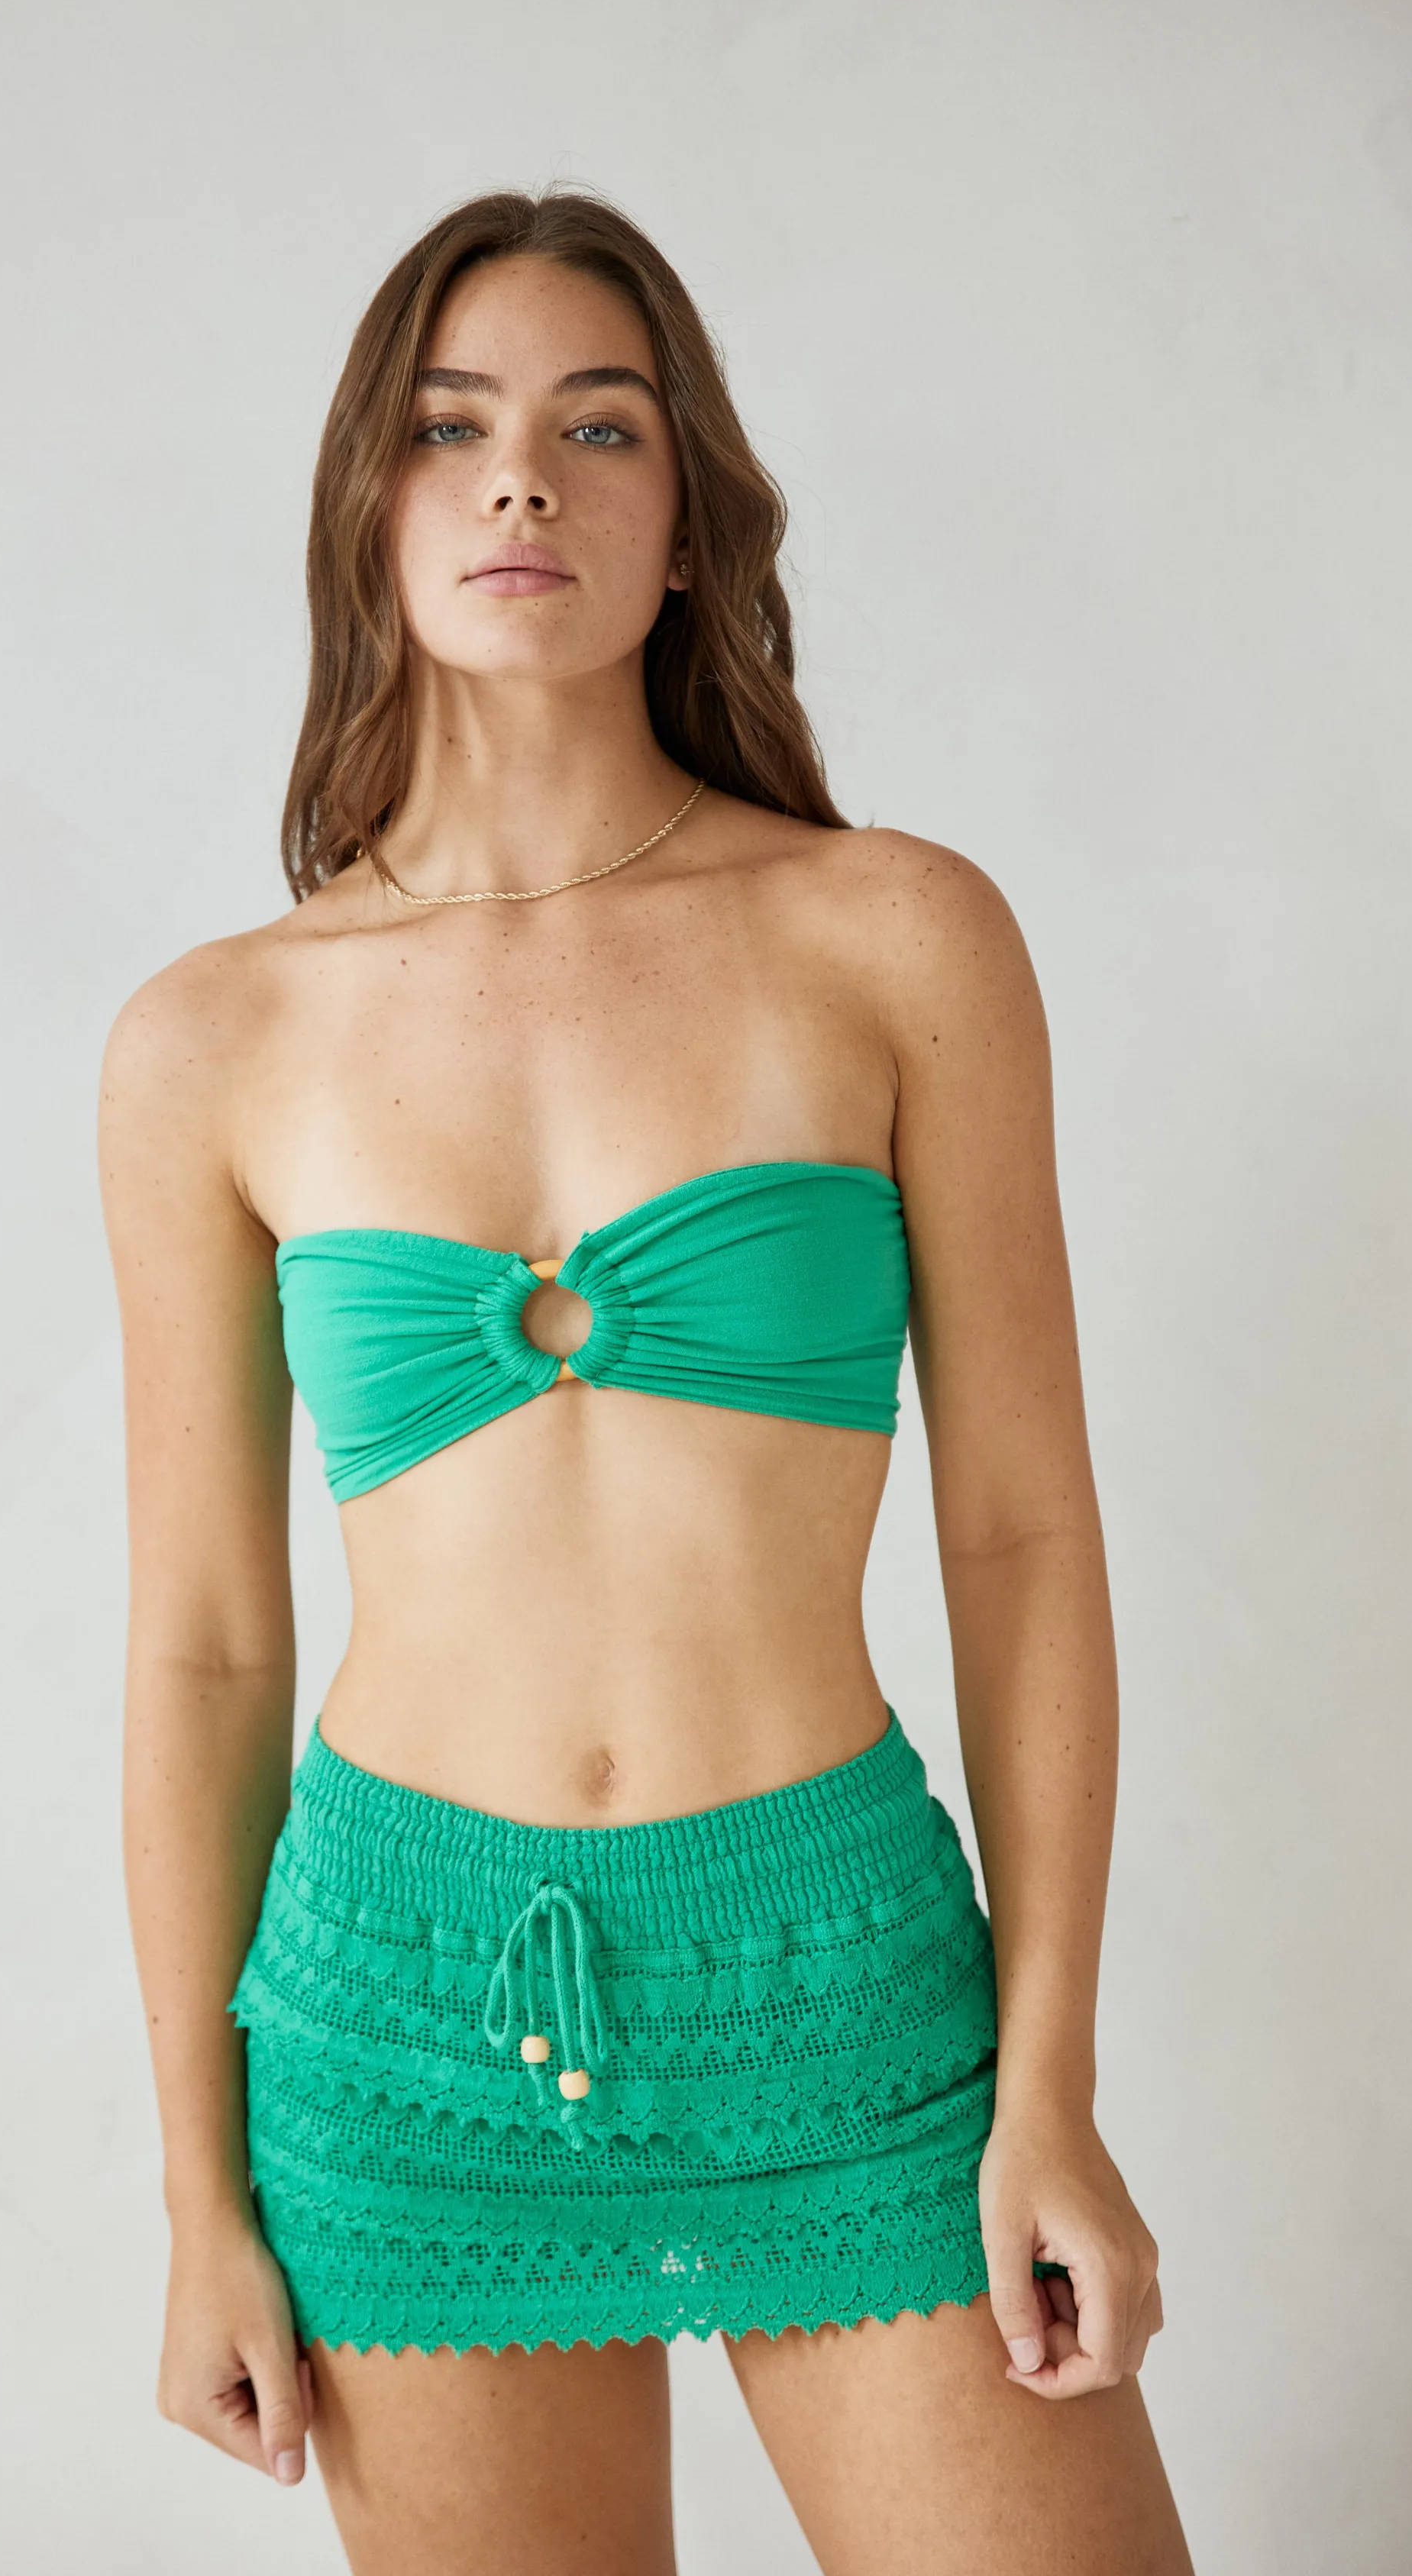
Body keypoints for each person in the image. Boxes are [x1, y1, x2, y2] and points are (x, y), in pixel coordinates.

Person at [98, 186, 1194, 2575]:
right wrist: (199, 2197)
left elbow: (1022, 1532)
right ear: (367, 508)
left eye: (600, 426)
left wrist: (1051, 2080)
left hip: (842, 1974)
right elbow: (205, 1649)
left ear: (689, 520)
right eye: (450, 426)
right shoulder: (212, 1042)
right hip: (395, 2014)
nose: (523, 475)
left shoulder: (893, 936)